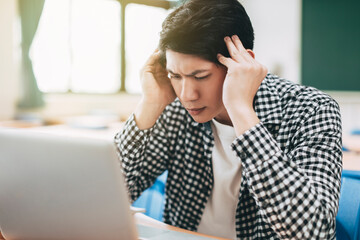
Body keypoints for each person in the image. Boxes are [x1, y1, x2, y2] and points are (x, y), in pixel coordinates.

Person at [114, 0, 342, 239]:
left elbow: (313, 233)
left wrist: (242, 111)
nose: (186, 95)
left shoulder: (312, 109)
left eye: (200, 76)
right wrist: (149, 105)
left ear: (242, 63)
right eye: (176, 76)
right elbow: (106, 197)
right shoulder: (174, 107)